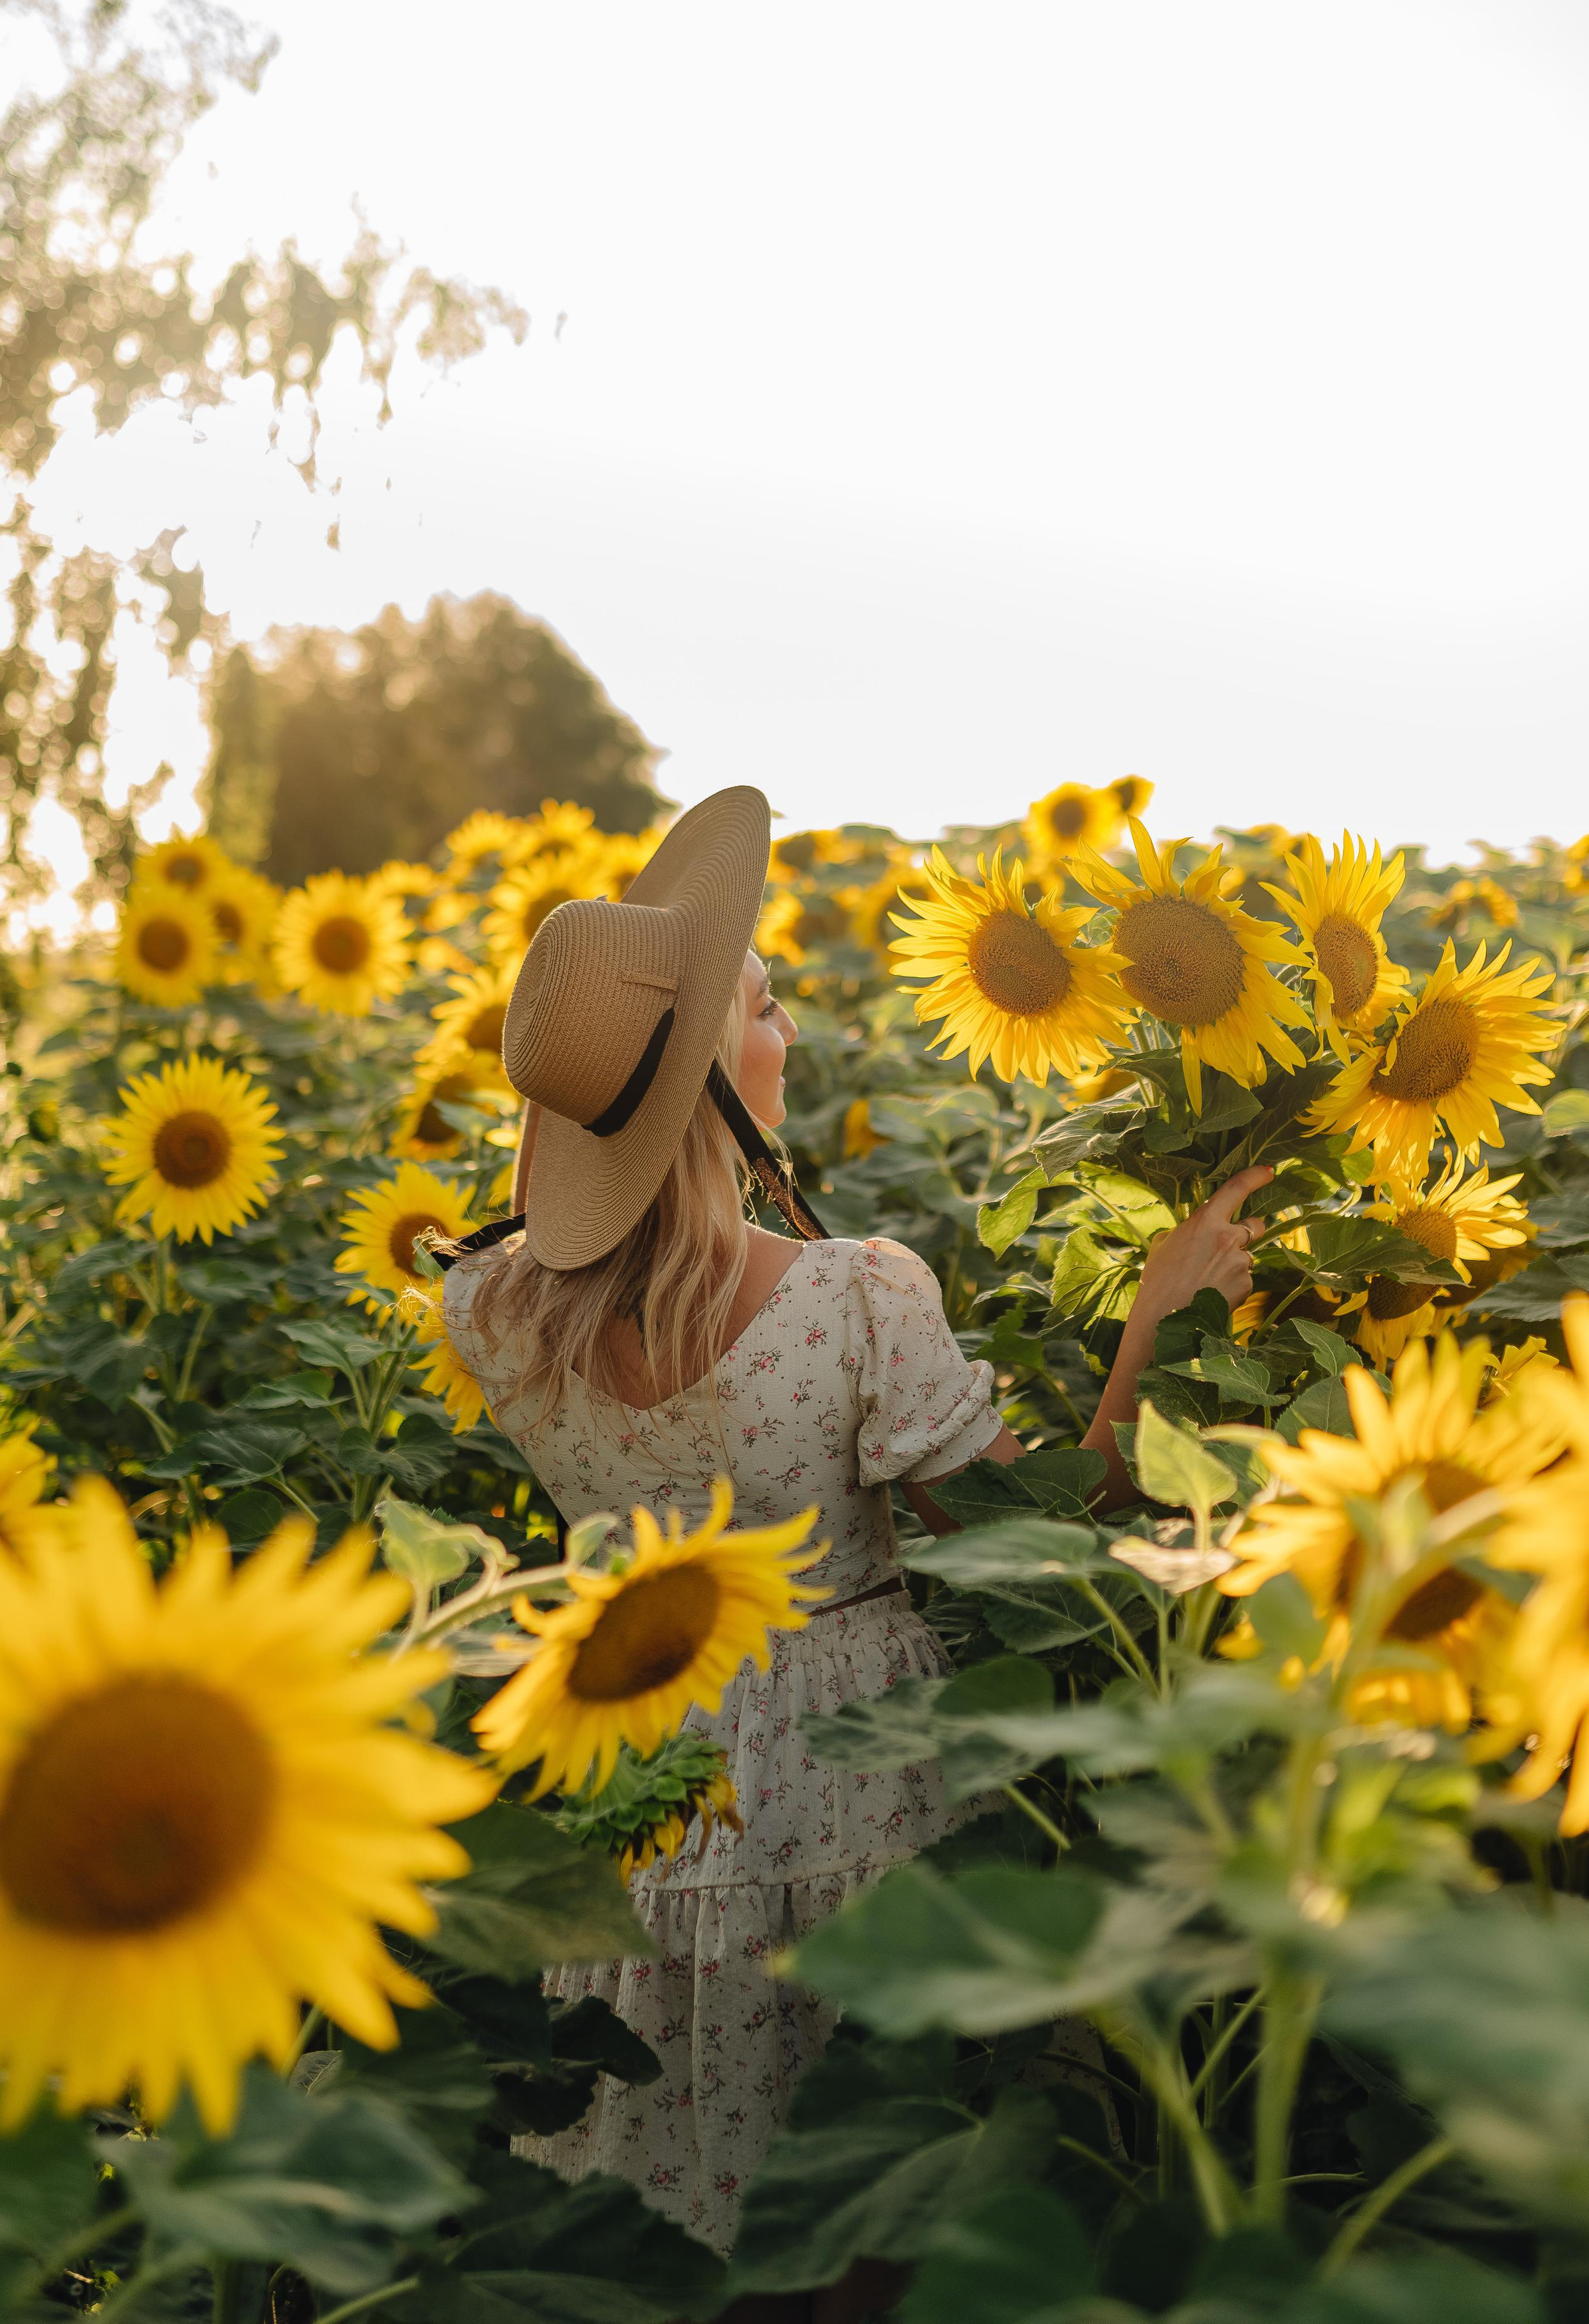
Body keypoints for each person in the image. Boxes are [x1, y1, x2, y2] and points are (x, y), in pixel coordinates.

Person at [440, 785, 1271, 2252]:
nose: (789, 1034)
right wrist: (1152, 1329)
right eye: (759, 1011)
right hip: (859, 1778)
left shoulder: (490, 1313)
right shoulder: (853, 1295)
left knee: (692, 2198)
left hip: (647, 1788)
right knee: (874, 2205)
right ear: (704, 1076)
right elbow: (1034, 1565)